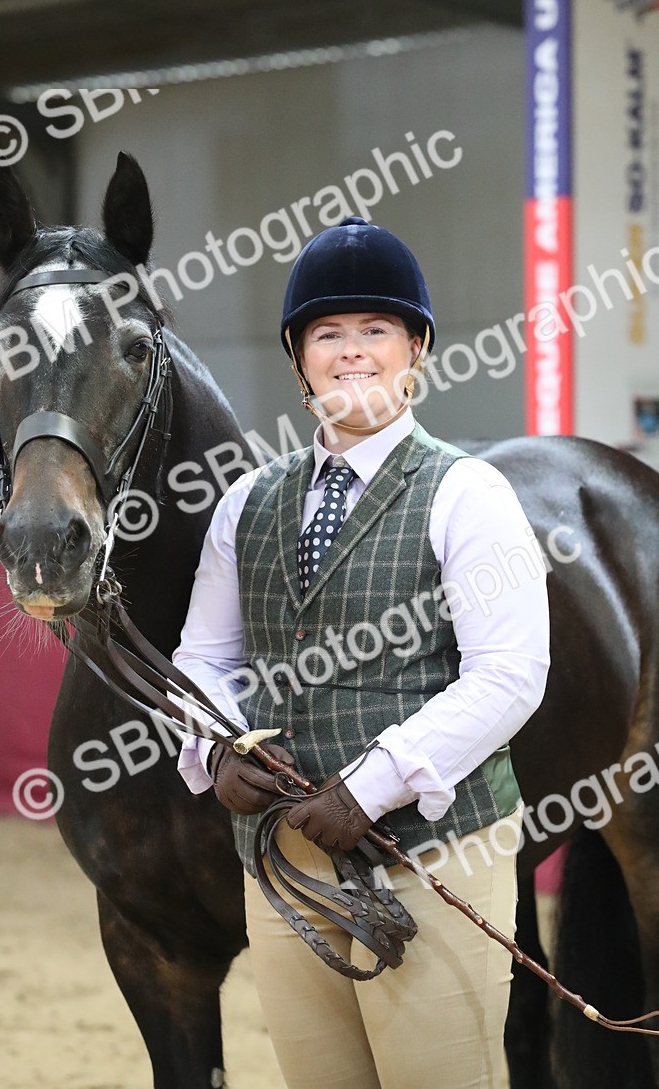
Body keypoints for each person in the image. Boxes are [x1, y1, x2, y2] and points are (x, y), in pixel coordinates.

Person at [172, 216, 550, 1089]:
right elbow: (204, 660)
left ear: (415, 347)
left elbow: (510, 673)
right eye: (327, 334)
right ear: (298, 358)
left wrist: (374, 783)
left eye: (374, 331)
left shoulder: (468, 493)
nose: (351, 353)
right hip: (285, 863)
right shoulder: (245, 504)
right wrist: (215, 745)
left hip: (432, 854)